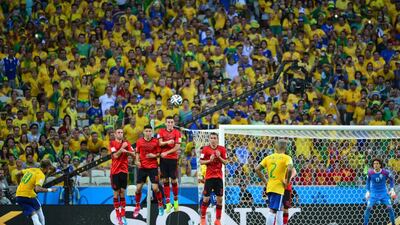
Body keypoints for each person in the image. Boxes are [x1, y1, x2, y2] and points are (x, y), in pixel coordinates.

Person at [255, 139, 293, 225]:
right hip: (278, 187)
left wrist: (265, 181)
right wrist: (287, 181)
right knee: (273, 210)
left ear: (276, 147)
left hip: (270, 186)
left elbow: (257, 169)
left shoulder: (268, 157)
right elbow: (290, 168)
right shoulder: (287, 157)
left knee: (279, 209)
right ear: (285, 147)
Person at [133, 125, 164, 217]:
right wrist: (137, 161)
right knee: (138, 189)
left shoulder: (155, 141)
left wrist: (153, 156)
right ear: (144, 132)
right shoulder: (139, 141)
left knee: (155, 188)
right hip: (142, 167)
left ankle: (160, 205)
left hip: (153, 167)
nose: (148, 133)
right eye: (146, 131)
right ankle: (137, 205)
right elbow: (137, 152)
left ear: (152, 132)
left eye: (150, 131)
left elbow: (159, 153)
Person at [15, 159, 57, 225]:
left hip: (19, 196)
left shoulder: (31, 169)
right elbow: (38, 189)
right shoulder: (40, 174)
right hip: (29, 196)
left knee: (34, 215)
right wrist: (50, 190)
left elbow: (17, 174)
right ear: (48, 167)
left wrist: (19, 184)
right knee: (39, 211)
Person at [199, 132, 227, 225]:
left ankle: (217, 220)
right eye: (211, 138)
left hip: (218, 177)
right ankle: (203, 218)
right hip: (209, 177)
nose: (213, 140)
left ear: (217, 139)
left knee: (219, 199)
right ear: (209, 139)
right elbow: (201, 161)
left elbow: (226, 162)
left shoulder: (222, 149)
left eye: (215, 138)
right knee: (206, 199)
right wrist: (209, 160)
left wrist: (219, 157)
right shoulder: (205, 149)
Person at [110, 128, 135, 225]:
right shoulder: (112, 143)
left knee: (123, 192)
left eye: (121, 132)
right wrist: (122, 149)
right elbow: (115, 156)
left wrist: (126, 151)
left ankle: (123, 214)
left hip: (124, 171)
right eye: (118, 132)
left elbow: (133, 154)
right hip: (115, 171)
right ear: (115, 134)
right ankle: (118, 215)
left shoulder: (127, 143)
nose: (120, 134)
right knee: (116, 193)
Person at [157, 116, 181, 213]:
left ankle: (175, 201)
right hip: (163, 160)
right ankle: (168, 203)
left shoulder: (177, 132)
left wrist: (166, 152)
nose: (170, 124)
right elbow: (160, 143)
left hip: (172, 159)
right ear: (165, 123)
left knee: (174, 180)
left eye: (172, 122)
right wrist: (168, 142)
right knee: (165, 180)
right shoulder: (161, 131)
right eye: (168, 122)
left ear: (174, 123)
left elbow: (177, 146)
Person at [363, 158, 396, 225]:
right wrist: (368, 191)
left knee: (390, 207)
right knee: (368, 208)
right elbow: (368, 182)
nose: (375, 165)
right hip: (374, 193)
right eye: (374, 163)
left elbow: (391, 179)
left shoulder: (385, 172)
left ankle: (393, 223)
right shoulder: (370, 172)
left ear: (380, 165)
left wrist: (392, 189)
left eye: (377, 163)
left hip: (383, 193)